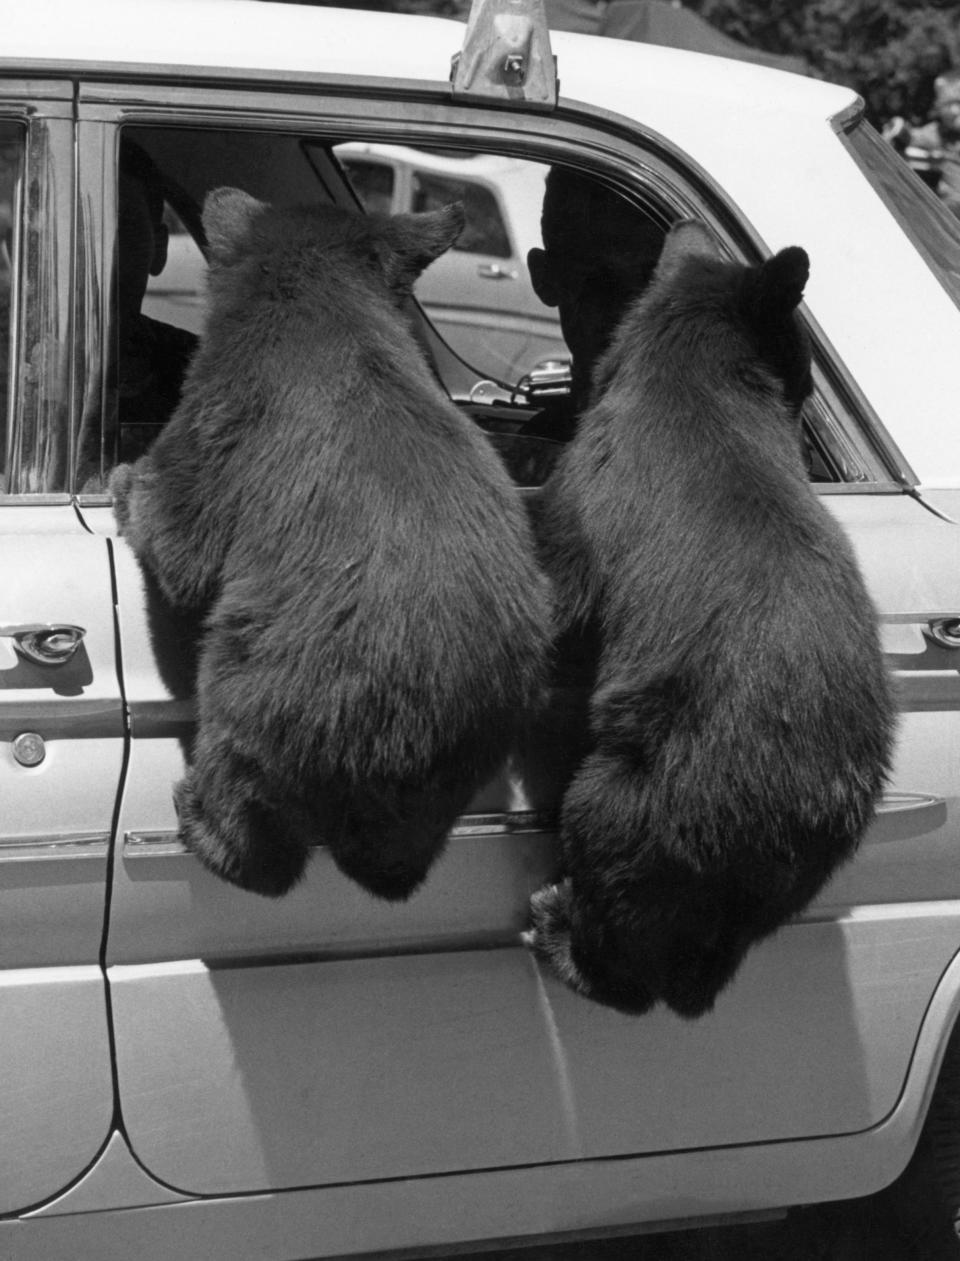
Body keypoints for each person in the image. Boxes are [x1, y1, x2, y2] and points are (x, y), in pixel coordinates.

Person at [525, 165, 667, 438]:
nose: (628, 310)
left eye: (649, 280)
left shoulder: (699, 441)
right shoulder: (541, 446)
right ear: (547, 279)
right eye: (599, 281)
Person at [884, 69, 960, 218]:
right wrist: (897, 131)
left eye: (958, 102)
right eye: (947, 105)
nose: (954, 111)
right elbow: (907, 137)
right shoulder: (933, 134)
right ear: (937, 106)